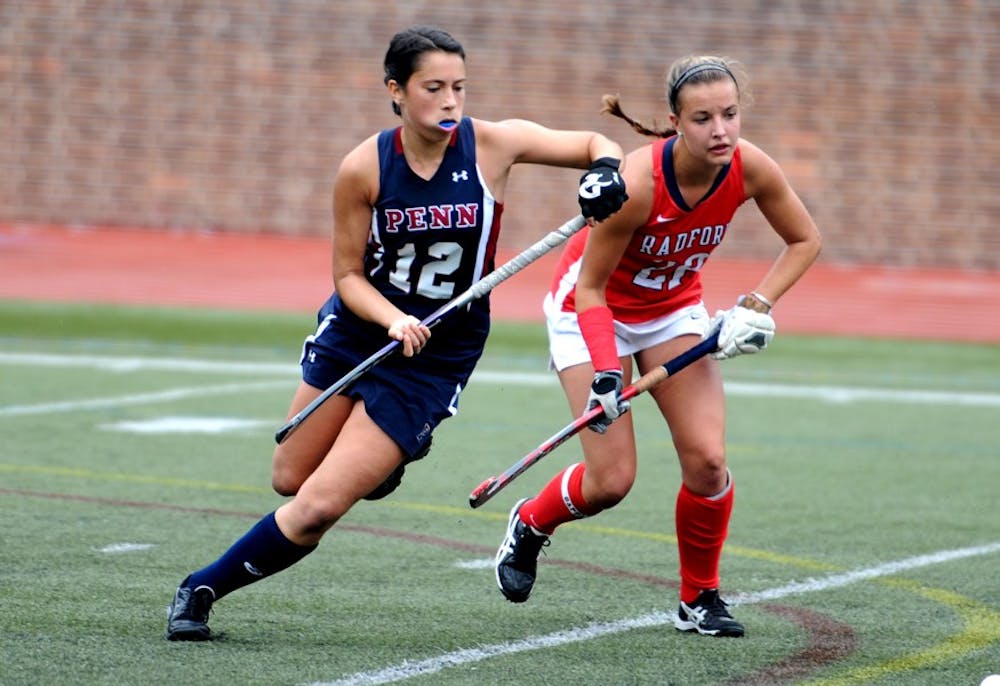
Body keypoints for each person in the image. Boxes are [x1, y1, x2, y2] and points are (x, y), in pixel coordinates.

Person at [165, 25, 627, 641]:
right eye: (433, 88)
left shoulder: (491, 145)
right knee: (288, 477)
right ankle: (383, 464)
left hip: (435, 354)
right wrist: (391, 318)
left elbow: (599, 141)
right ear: (396, 90)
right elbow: (347, 275)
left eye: (458, 87)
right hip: (361, 332)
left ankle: (201, 589)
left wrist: (605, 173)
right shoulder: (364, 167)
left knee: (318, 507)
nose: (450, 102)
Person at [494, 55, 821, 638]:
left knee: (708, 461)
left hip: (671, 310)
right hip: (589, 312)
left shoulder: (750, 168)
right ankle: (530, 522)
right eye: (702, 119)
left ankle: (698, 599)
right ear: (676, 122)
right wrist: (604, 374)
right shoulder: (640, 186)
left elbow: (804, 239)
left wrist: (757, 303)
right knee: (611, 482)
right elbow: (590, 289)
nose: (720, 130)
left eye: (730, 114)